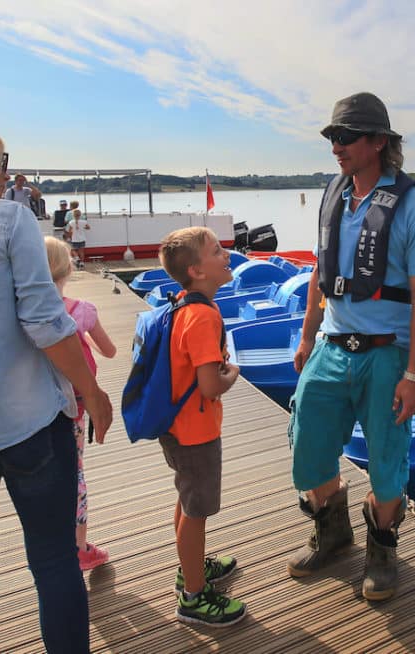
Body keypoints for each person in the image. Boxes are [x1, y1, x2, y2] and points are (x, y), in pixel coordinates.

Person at [287, 92, 415, 602]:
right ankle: (333, 532)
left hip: (385, 353)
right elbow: (319, 273)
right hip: (332, 345)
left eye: (347, 136)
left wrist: (414, 375)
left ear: (380, 142)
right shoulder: (334, 196)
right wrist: (308, 335)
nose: (337, 146)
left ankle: (382, 547)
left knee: (386, 461)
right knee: (306, 442)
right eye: (333, 136)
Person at [0, 127, 113, 653]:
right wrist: (93, 394)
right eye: (3, 159)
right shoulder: (8, 219)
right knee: (55, 561)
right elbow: (43, 320)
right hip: (28, 424)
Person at [157, 226, 246, 627]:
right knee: (197, 510)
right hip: (196, 433)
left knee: (187, 499)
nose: (226, 254)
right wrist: (233, 374)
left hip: (177, 428)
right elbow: (211, 386)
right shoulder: (204, 317)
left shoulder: (183, 304)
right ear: (196, 270)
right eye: (217, 250)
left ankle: (188, 567)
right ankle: (193, 595)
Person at [45, 236, 117, 571]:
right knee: (75, 474)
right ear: (68, 269)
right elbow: (110, 350)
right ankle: (79, 547)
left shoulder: (27, 313)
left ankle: (51, 540)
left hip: (37, 404)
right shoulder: (82, 311)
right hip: (74, 405)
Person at [65, 201, 89, 267]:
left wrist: (69, 237)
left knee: (72, 249)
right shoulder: (82, 217)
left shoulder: (70, 218)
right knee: (81, 251)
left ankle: (76, 258)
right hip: (82, 238)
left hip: (74, 238)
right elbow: (87, 226)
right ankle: (82, 262)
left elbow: (66, 223)